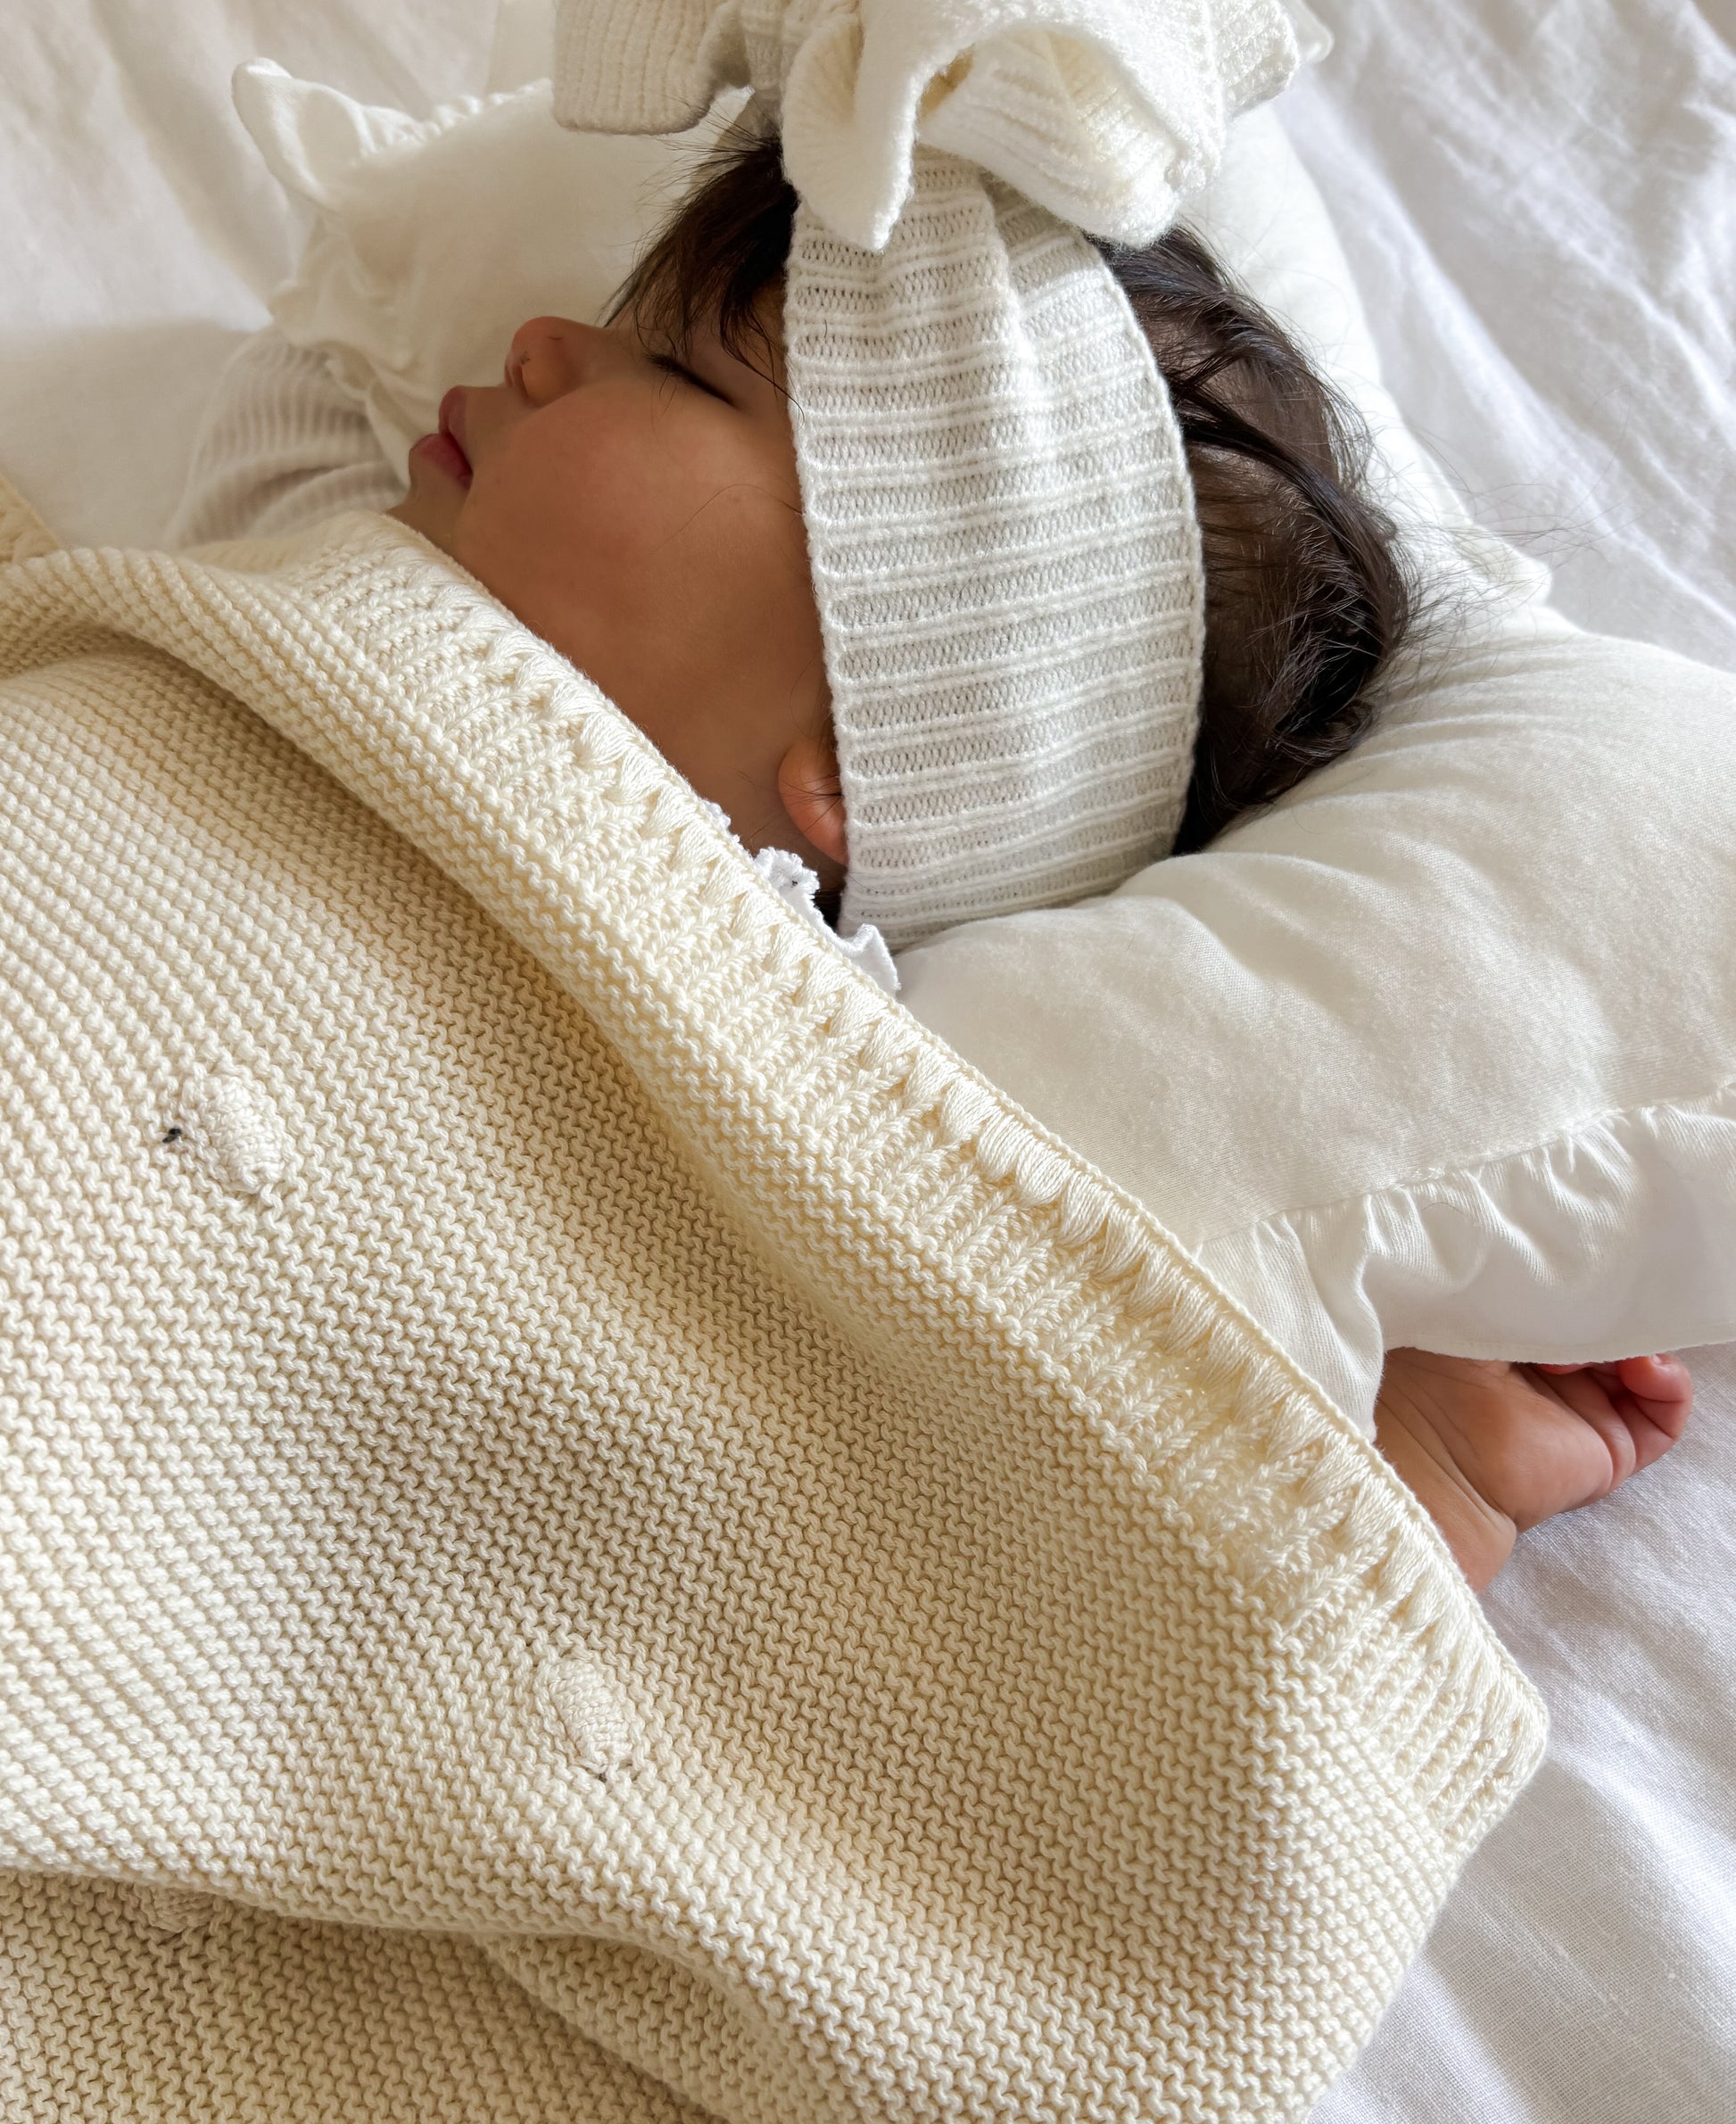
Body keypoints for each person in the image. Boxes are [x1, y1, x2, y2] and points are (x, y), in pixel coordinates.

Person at [172, 125, 1694, 1596]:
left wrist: (1397, 1444)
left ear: (864, 751)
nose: (541, 339)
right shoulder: (324, 598)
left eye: (676, 371)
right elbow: (291, 400)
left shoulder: (808, 1048)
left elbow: (938, 1481)